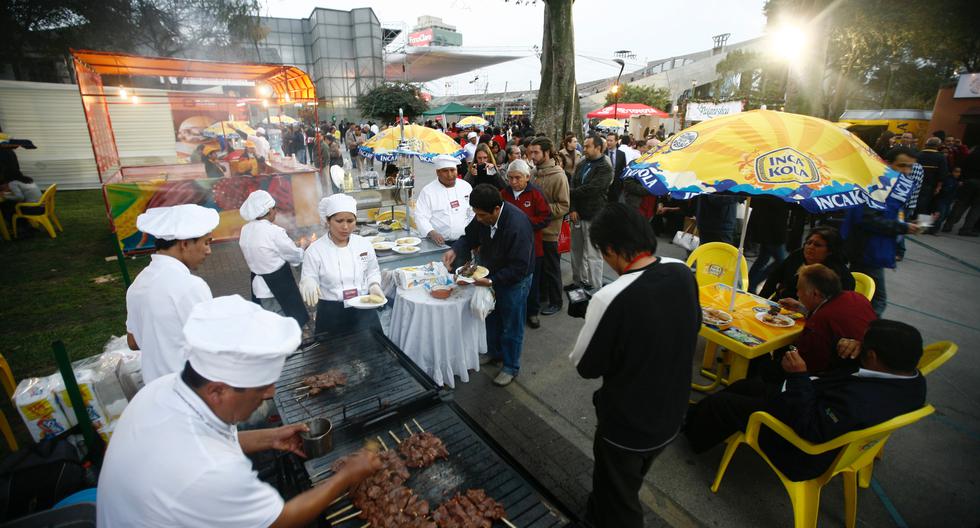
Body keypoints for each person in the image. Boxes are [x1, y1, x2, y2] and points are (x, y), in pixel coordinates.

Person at [98, 295, 381, 527]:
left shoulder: (159, 390)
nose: (270, 394)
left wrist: (270, 437)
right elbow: (279, 521)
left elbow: (207, 438)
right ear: (218, 390)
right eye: (261, 389)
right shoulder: (213, 471)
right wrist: (346, 476)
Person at [569, 203, 700, 528]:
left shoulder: (610, 297)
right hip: (671, 414)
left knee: (620, 503)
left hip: (627, 426)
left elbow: (585, 366)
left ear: (611, 250)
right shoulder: (682, 272)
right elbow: (693, 324)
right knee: (625, 483)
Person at [685, 319, 927, 482]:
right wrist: (844, 348)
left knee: (724, 404)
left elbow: (810, 427)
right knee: (746, 385)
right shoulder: (910, 378)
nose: (859, 346)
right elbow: (848, 376)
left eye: (863, 345)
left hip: (802, 448)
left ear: (872, 355)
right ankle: (695, 416)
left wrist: (798, 376)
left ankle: (689, 432)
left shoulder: (864, 402)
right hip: (815, 403)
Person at [442, 184, 534, 387]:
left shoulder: (517, 225)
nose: (479, 219)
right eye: (476, 214)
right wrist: (455, 250)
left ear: (497, 209)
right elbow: (469, 237)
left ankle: (510, 367)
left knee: (512, 324)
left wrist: (491, 281)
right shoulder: (481, 216)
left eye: (482, 215)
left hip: (515, 281)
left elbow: (519, 267)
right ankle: (494, 353)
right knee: (491, 318)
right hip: (490, 274)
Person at [125, 204, 218, 383]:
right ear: (184, 244)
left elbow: (133, 342)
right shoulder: (191, 286)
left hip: (156, 389)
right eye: (206, 242)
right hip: (190, 390)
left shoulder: (138, 284)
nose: (209, 250)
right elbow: (212, 345)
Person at [842, 147, 923, 315]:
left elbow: (889, 215)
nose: (906, 171)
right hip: (867, 251)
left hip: (875, 250)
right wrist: (903, 227)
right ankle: (860, 332)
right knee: (877, 300)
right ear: (887, 163)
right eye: (901, 165)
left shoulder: (891, 185)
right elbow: (867, 219)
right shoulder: (878, 185)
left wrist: (905, 225)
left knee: (858, 295)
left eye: (910, 167)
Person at [300, 194, 384, 337]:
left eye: (350, 221)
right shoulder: (315, 250)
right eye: (339, 221)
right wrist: (308, 281)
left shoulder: (363, 244)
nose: (345, 227)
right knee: (330, 356)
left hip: (363, 307)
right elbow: (309, 275)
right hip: (331, 311)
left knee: (374, 350)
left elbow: (372, 271)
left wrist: (374, 285)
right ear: (328, 221)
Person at [774, 263, 877, 374]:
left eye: (799, 289)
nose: (797, 294)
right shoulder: (856, 297)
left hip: (839, 375)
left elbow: (807, 363)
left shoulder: (819, 322)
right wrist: (804, 309)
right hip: (873, 361)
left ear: (815, 294)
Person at [239, 190, 309, 327]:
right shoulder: (274, 231)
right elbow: (294, 256)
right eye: (275, 209)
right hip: (278, 284)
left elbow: (266, 250)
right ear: (270, 210)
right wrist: (303, 246)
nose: (276, 212)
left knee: (266, 320)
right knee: (284, 319)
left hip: (258, 282)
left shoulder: (245, 230)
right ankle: (293, 346)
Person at [500, 159, 551, 329]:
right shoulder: (504, 194)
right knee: (512, 283)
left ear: (527, 177)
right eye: (510, 178)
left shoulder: (536, 194)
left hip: (532, 248)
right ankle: (514, 314)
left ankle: (532, 312)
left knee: (532, 283)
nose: (513, 182)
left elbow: (545, 217)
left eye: (518, 178)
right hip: (508, 248)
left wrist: (525, 224)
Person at [528, 137, 570, 316]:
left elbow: (564, 205)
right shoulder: (534, 172)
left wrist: (541, 211)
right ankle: (544, 296)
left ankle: (556, 301)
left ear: (547, 153)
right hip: (534, 231)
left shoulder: (559, 175)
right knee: (540, 267)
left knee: (552, 268)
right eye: (531, 152)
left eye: (536, 152)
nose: (532, 156)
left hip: (550, 232)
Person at [759, 226, 854, 300]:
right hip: (780, 307)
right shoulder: (797, 255)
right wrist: (760, 300)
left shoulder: (839, 275)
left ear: (830, 250)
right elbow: (774, 277)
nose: (810, 247)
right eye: (809, 242)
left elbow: (835, 306)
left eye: (817, 245)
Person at [569, 135, 613, 291]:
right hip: (577, 216)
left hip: (594, 216)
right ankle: (578, 282)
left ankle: (595, 288)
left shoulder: (605, 168)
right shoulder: (582, 164)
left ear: (598, 148)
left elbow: (593, 189)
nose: (584, 149)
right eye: (584, 146)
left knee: (594, 254)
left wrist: (570, 193)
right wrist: (572, 208)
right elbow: (573, 183)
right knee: (576, 252)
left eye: (587, 146)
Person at [415, 155, 474, 250]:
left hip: (463, 241)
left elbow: (473, 212)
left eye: (452, 170)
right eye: (445, 171)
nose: (450, 174)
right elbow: (420, 216)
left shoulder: (466, 187)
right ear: (438, 172)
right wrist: (432, 232)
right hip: (438, 244)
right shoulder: (428, 191)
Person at [745, 196, 789, 292]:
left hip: (769, 230)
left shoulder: (769, 191)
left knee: (763, 258)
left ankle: (750, 284)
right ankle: (753, 283)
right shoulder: (776, 192)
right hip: (773, 232)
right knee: (782, 262)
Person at [604, 132, 628, 203]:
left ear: (616, 141)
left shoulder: (621, 154)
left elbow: (623, 168)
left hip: (617, 186)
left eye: (611, 141)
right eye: (607, 140)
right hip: (605, 184)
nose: (608, 142)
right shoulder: (602, 153)